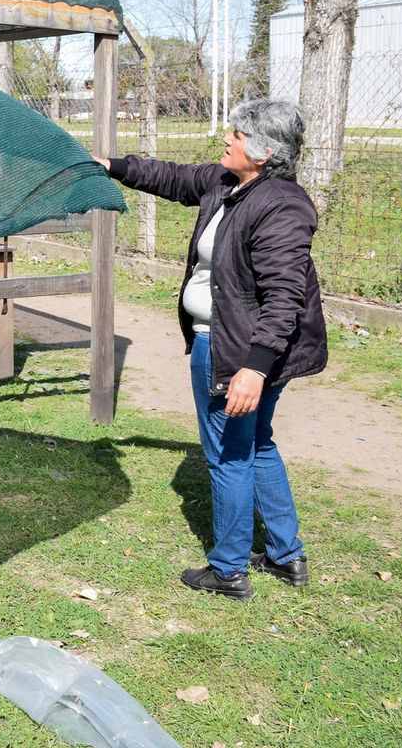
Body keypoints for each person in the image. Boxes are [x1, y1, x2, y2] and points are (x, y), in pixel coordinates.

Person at [94, 98, 326, 600]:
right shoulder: (230, 184)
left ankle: (228, 569)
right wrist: (110, 166)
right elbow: (171, 177)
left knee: (229, 455)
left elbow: (285, 298)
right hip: (238, 347)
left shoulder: (281, 206)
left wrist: (253, 369)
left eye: (238, 134)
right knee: (257, 444)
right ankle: (287, 557)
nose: (228, 138)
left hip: (235, 351)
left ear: (263, 152)